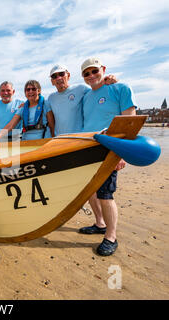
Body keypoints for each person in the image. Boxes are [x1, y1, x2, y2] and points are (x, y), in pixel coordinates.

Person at [79, 57, 137, 256]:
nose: (91, 76)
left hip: (110, 149)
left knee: (105, 194)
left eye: (95, 71)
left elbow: (130, 122)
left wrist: (121, 152)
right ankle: (99, 223)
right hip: (88, 149)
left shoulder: (120, 88)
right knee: (89, 191)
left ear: (103, 69)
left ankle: (111, 236)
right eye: (86, 73)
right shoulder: (86, 96)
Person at [46, 64, 118, 136]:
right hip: (60, 139)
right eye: (54, 76)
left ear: (68, 75)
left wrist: (110, 80)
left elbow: (98, 92)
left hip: (80, 138)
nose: (58, 78)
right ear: (52, 81)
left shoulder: (81, 89)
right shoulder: (50, 98)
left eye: (61, 74)